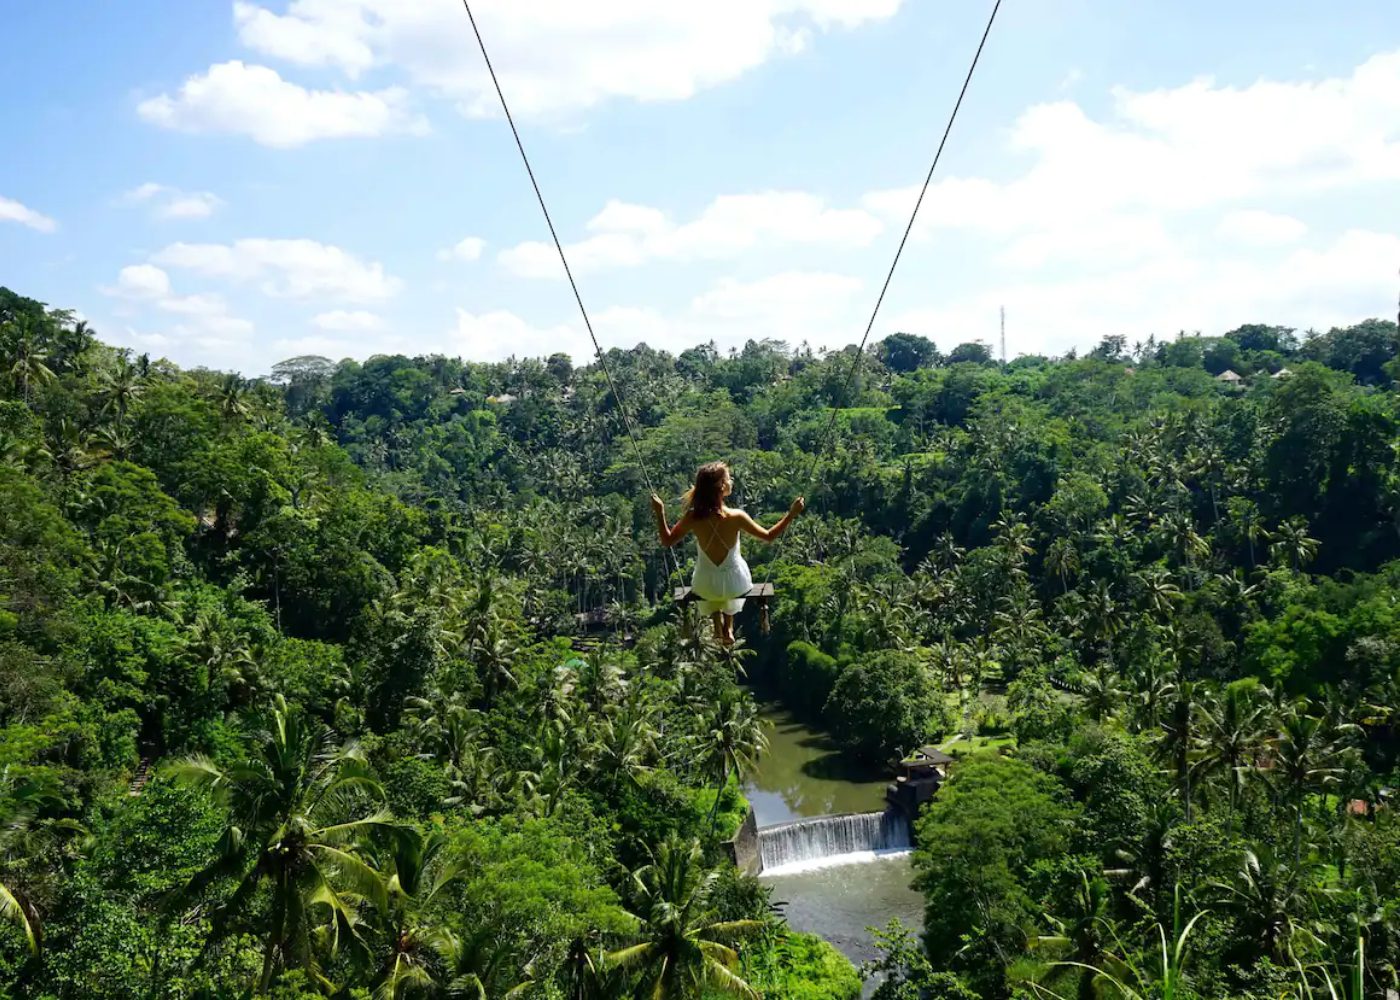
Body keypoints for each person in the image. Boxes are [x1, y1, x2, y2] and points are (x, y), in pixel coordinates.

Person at [651, 461, 804, 645]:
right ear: (722, 486)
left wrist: (660, 513)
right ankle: (728, 628)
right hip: (735, 584)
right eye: (728, 478)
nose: (731, 481)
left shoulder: (693, 517)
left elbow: (667, 541)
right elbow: (769, 536)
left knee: (711, 584)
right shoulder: (736, 517)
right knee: (731, 576)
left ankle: (718, 625)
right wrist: (791, 514)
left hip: (705, 585)